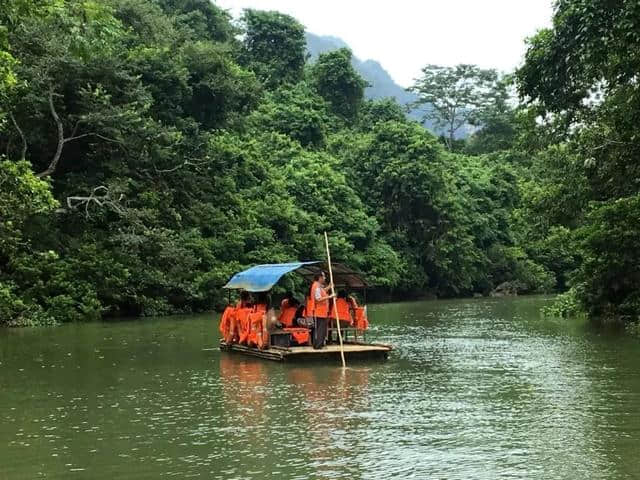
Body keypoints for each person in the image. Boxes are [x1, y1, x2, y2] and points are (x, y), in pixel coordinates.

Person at [304, 271, 334, 349]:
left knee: (322, 329)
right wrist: (330, 297)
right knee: (319, 329)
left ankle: (319, 344)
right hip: (318, 312)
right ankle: (318, 345)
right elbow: (318, 299)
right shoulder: (316, 286)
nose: (325, 278)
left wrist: (329, 287)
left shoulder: (319, 286)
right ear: (320, 277)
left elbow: (322, 292)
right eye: (323, 277)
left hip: (322, 312)